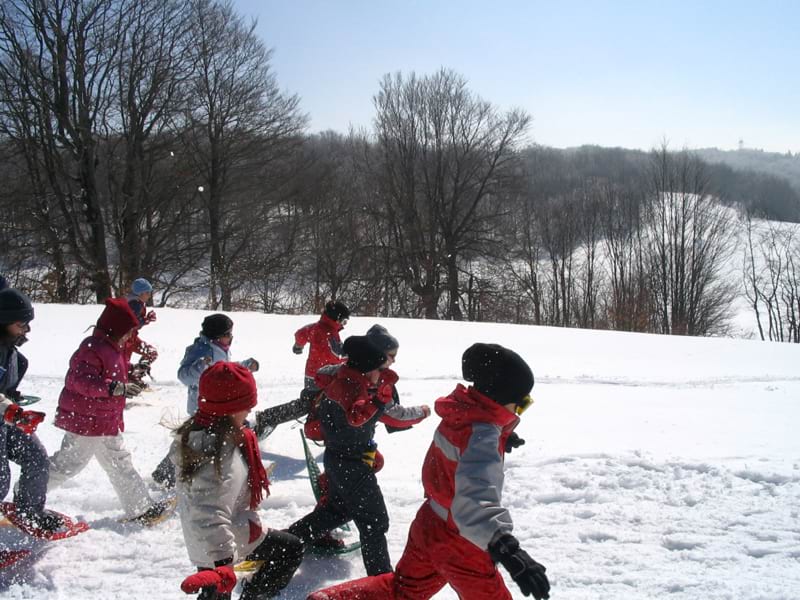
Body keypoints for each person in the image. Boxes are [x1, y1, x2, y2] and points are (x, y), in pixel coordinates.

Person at [306, 343, 551, 600]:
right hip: (460, 541)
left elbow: (461, 448)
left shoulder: (462, 413)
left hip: (429, 524)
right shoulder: (482, 436)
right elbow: (473, 501)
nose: (519, 411)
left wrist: (500, 435)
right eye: (521, 404)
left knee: (403, 591)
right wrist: (507, 549)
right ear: (500, 399)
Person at [287, 335, 430, 576]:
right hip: (353, 465)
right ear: (367, 369)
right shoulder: (357, 392)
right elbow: (364, 416)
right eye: (379, 369)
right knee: (374, 521)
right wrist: (417, 411)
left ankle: (287, 541)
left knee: (337, 510)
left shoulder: (341, 377)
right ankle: (382, 580)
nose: (381, 374)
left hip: (336, 458)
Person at [174, 361, 303, 600]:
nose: (249, 413)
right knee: (289, 550)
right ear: (231, 409)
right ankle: (250, 592)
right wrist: (224, 564)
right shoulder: (219, 455)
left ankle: (235, 583)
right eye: (247, 406)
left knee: (217, 589)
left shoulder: (204, 432)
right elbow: (207, 514)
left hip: (219, 540)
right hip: (225, 543)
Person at [47, 298, 170, 523]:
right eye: (127, 332)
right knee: (67, 465)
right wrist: (114, 388)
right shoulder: (91, 348)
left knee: (120, 463)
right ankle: (25, 496)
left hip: (105, 421)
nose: (130, 337)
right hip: (86, 421)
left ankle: (141, 508)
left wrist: (132, 372)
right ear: (115, 329)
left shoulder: (114, 349)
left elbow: (113, 375)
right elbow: (79, 381)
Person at [151, 314, 258, 489]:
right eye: (228, 334)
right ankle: (169, 473)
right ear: (217, 336)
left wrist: (245, 365)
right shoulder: (201, 350)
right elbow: (183, 375)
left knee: (203, 439)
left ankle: (227, 472)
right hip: (202, 405)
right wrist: (200, 367)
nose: (231, 338)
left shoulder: (220, 347)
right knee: (197, 440)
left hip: (220, 404)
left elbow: (225, 368)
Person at [0, 288, 62, 532]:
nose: (26, 330)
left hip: (6, 421)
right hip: (5, 417)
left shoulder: (16, 356)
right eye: (21, 324)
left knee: (37, 459)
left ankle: (29, 511)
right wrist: (10, 410)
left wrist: (15, 403)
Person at [293, 300, 350, 389]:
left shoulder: (317, 327)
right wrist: (353, 357)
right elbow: (337, 355)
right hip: (323, 376)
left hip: (311, 373)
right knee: (323, 401)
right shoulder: (328, 334)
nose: (344, 325)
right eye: (344, 321)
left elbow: (302, 333)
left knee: (310, 399)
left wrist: (298, 345)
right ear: (336, 318)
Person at [123, 278, 158, 387]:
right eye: (147, 292)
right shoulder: (135, 304)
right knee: (123, 364)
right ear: (140, 293)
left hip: (131, 338)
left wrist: (145, 320)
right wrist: (146, 320)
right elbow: (132, 323)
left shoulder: (136, 302)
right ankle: (131, 379)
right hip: (126, 340)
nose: (149, 295)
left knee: (151, 353)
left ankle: (133, 376)